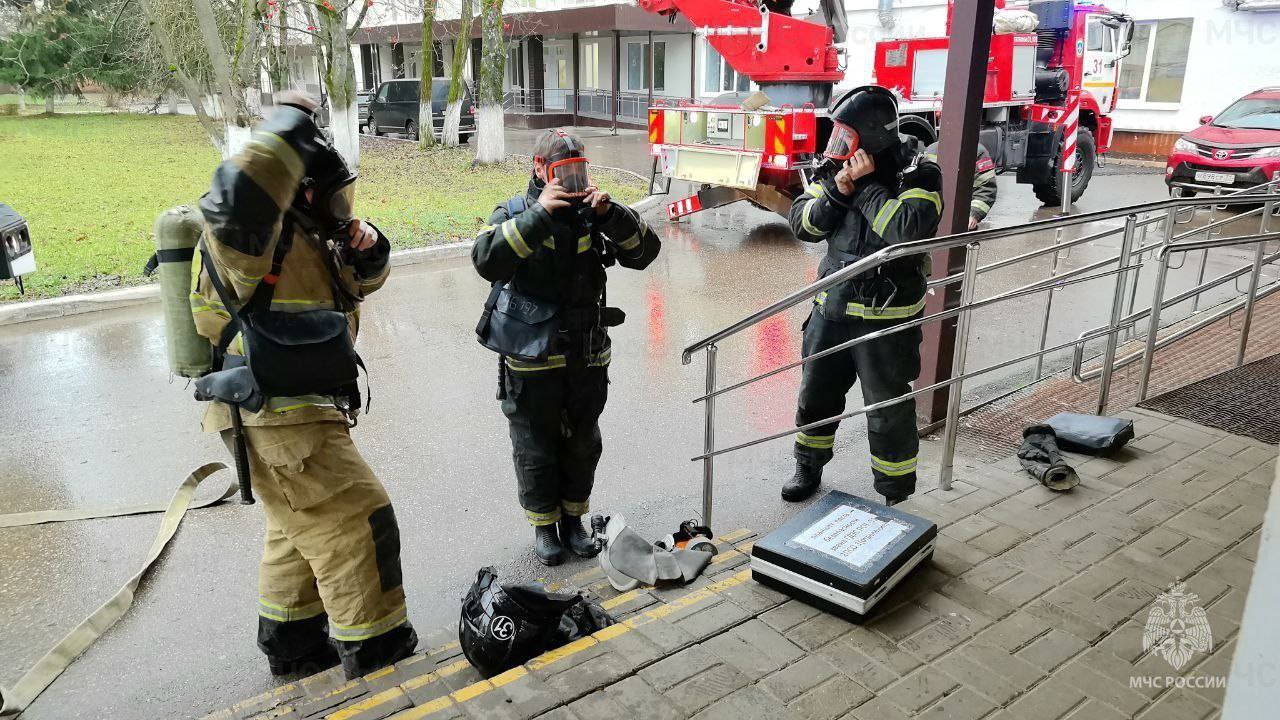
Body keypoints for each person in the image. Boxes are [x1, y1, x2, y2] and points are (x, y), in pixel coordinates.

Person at [191, 93, 417, 679]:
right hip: (273, 411)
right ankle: (380, 662)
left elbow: (357, 287)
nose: (343, 208)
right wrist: (288, 128)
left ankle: (292, 647)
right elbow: (241, 189)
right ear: (296, 189)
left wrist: (369, 253)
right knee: (358, 520)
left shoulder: (309, 237)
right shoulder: (247, 236)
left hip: (294, 412)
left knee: (298, 528)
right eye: (333, 195)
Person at [472, 129, 661, 566]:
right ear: (539, 168)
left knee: (582, 443)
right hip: (531, 359)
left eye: (578, 171)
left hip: (586, 354)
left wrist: (611, 215)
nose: (572, 181)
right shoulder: (516, 212)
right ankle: (544, 526)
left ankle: (574, 521)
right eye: (562, 172)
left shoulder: (594, 213)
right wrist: (539, 215)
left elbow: (644, 253)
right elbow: (486, 260)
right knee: (534, 446)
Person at [784, 85, 944, 505]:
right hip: (831, 309)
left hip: (887, 319)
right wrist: (838, 191)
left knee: (887, 410)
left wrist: (869, 185)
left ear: (871, 137)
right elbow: (803, 225)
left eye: (846, 136)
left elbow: (906, 229)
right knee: (816, 395)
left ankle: (895, 493)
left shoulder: (920, 173)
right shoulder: (833, 170)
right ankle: (808, 466)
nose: (837, 145)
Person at [925, 139, 998, 230]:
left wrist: (974, 214)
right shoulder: (931, 150)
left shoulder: (978, 151)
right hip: (934, 218)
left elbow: (986, 187)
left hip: (961, 218)